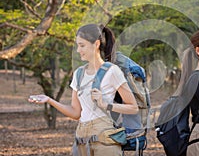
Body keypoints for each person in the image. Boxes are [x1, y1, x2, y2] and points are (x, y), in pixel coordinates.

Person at [28, 24, 138, 156]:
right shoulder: (78, 74)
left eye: (82, 45)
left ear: (96, 44)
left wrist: (105, 104)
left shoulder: (112, 71)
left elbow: (133, 107)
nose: (78, 50)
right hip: (81, 140)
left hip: (105, 141)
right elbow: (75, 113)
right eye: (77, 46)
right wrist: (49, 100)